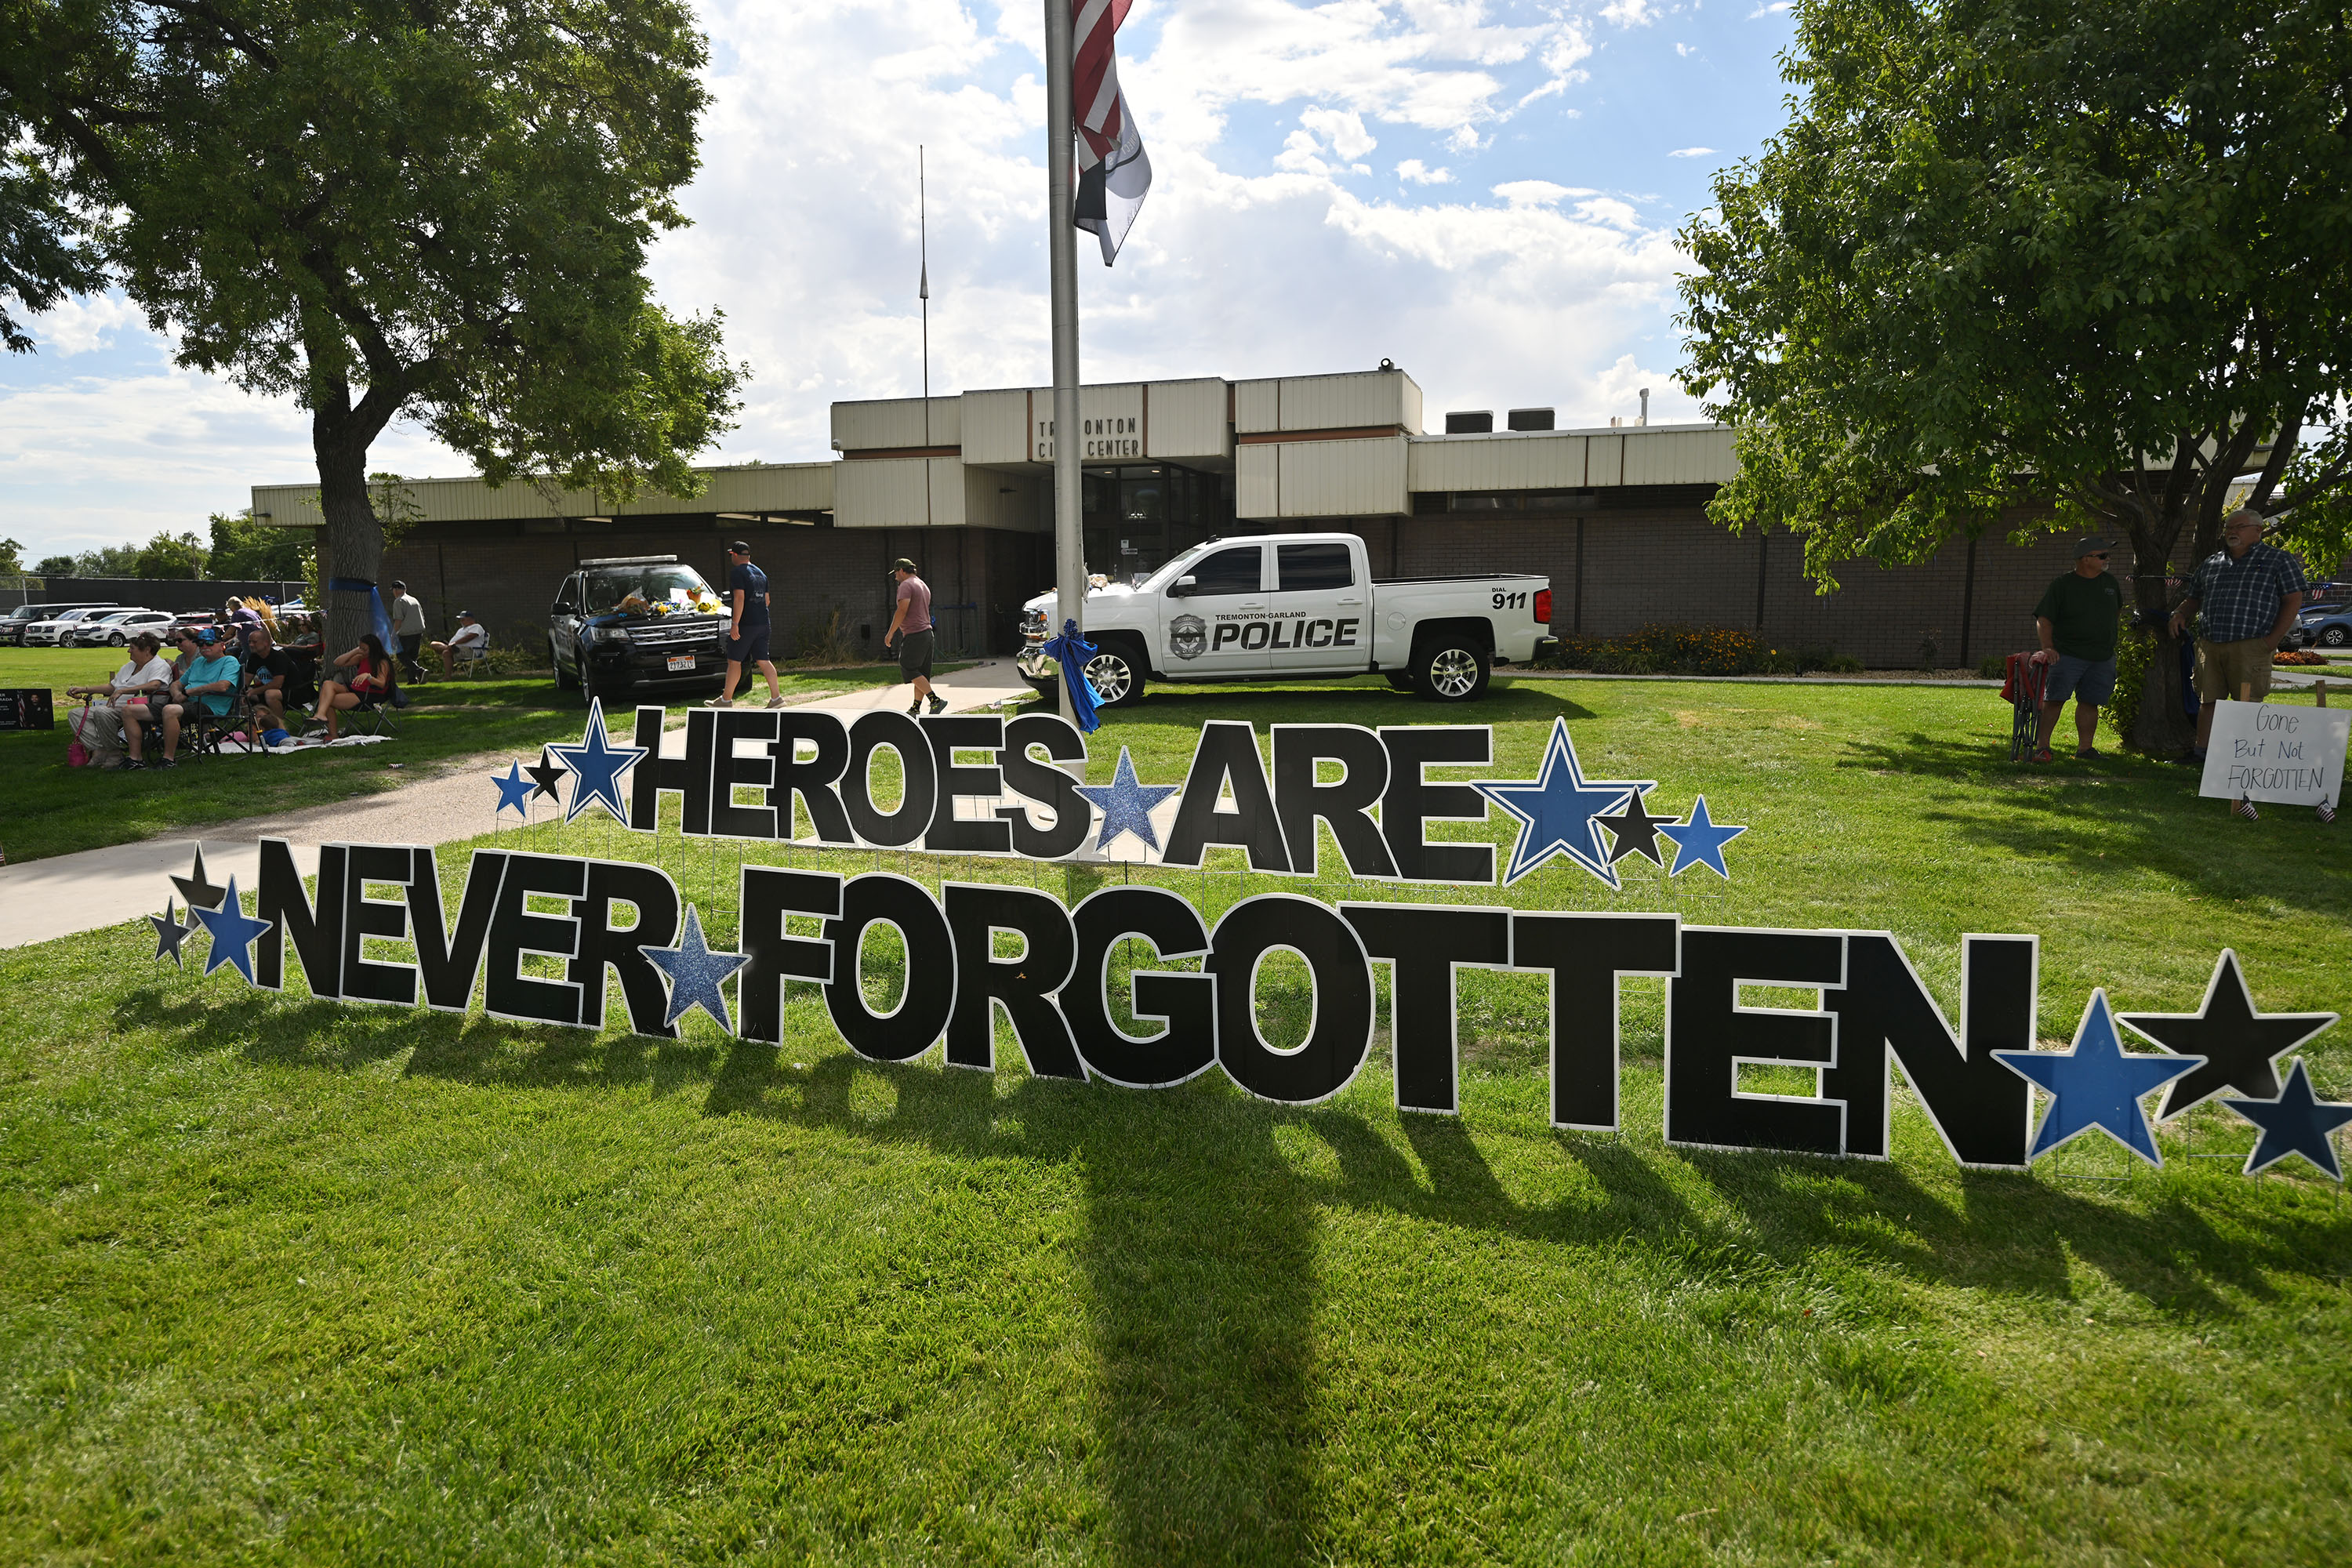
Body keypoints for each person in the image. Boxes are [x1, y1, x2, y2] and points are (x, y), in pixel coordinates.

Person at [2169, 507, 2308, 763]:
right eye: (2228, 528)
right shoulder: (2211, 563)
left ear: (2258, 530)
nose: (2232, 532)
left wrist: (2272, 640)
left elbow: (2293, 599)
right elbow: (2194, 599)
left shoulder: (2278, 560)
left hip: (2252, 644)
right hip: (2210, 645)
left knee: (2247, 702)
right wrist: (2179, 613)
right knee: (2208, 700)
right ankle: (2202, 753)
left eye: (2239, 527)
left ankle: (2246, 756)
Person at [2028, 537, 2127, 761]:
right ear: (2085, 559)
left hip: (2102, 657)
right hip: (2067, 655)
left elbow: (2116, 612)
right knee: (2055, 699)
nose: (2107, 559)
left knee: (2091, 701)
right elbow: (2044, 619)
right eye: (2102, 556)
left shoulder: (2110, 583)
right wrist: (2048, 648)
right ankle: (2042, 747)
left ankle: (2085, 749)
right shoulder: (2062, 585)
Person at [127, 627, 239, 770]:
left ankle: (168, 759)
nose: (204, 647)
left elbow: (223, 686)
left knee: (170, 710)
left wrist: (188, 692)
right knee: (129, 710)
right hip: (186, 705)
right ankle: (135, 759)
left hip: (211, 707)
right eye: (200, 643)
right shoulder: (199, 663)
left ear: (222, 645)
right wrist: (176, 694)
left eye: (209, 643)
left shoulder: (230, 661)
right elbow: (176, 684)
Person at [67, 630, 172, 765]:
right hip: (114, 706)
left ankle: (114, 754)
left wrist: (123, 690)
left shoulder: (159, 666)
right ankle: (100, 749)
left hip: (141, 707)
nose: (128, 651)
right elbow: (112, 687)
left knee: (102, 712)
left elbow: (155, 684)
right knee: (75, 714)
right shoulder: (130, 666)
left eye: (132, 648)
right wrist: (84, 689)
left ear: (147, 650)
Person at [707, 541, 785, 709]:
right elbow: (767, 600)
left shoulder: (737, 572)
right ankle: (776, 698)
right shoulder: (761, 573)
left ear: (734, 555)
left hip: (746, 625)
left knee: (734, 661)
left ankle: (726, 700)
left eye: (731, 556)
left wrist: (735, 623)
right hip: (764, 623)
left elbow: (739, 598)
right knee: (764, 660)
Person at [884, 557, 945, 717]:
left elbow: (902, 610)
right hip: (927, 633)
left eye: (896, 573)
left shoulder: (906, 585)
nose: (895, 577)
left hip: (915, 634)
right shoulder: (922, 584)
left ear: (902, 571)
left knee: (908, 666)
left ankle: (935, 700)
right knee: (921, 673)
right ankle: (916, 708)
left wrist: (890, 632)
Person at [310, 633, 398, 742]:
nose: (362, 651)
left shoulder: (382, 662)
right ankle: (321, 714)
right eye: (360, 648)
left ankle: (332, 733)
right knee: (327, 684)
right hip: (354, 689)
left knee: (328, 701)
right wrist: (355, 651)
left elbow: (381, 683)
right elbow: (337, 662)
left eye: (364, 649)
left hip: (369, 695)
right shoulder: (361, 657)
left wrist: (369, 677)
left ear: (373, 648)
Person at [240, 623, 293, 731]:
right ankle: (255, 729)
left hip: (293, 692)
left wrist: (255, 691)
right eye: (249, 642)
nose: (250, 645)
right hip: (268, 691)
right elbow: (246, 679)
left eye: (254, 642)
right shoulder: (254, 658)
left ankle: (279, 729)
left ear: (266, 643)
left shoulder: (279, 657)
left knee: (270, 694)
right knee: (244, 695)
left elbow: (277, 684)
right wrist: (242, 692)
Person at [431, 608, 490, 677]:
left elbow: (471, 636)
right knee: (433, 644)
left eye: (463, 619)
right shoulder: (461, 629)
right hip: (457, 649)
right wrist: (452, 645)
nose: (461, 621)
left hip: (471, 650)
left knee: (446, 653)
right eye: (460, 620)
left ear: (471, 619)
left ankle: (447, 677)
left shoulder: (476, 626)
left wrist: (455, 643)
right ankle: (449, 648)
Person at [388, 579, 427, 681]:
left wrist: (393, 635)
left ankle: (420, 671)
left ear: (396, 590)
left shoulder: (399, 601)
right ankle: (412, 679)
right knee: (412, 657)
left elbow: (398, 620)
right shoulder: (414, 600)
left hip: (407, 634)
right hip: (418, 632)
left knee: (401, 655)